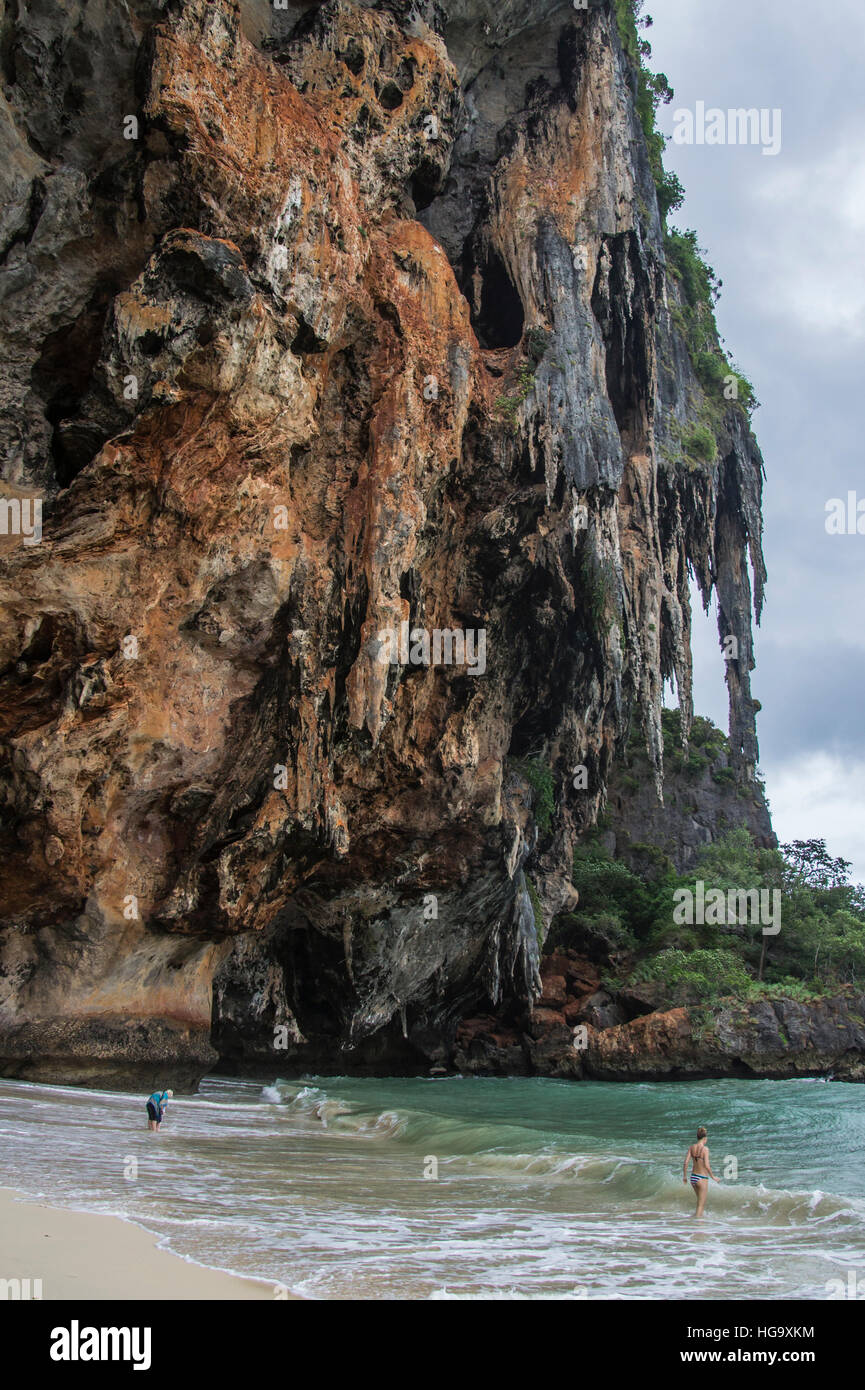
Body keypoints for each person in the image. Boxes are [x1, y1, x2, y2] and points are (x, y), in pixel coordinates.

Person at [683, 1125, 719, 1216]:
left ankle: (696, 1221)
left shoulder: (691, 1147)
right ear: (704, 1138)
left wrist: (684, 1176)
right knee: (701, 1205)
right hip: (702, 1178)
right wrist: (713, 1176)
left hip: (693, 1178)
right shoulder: (705, 1149)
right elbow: (707, 1165)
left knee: (699, 1202)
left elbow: (685, 1162)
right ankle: (697, 1225)